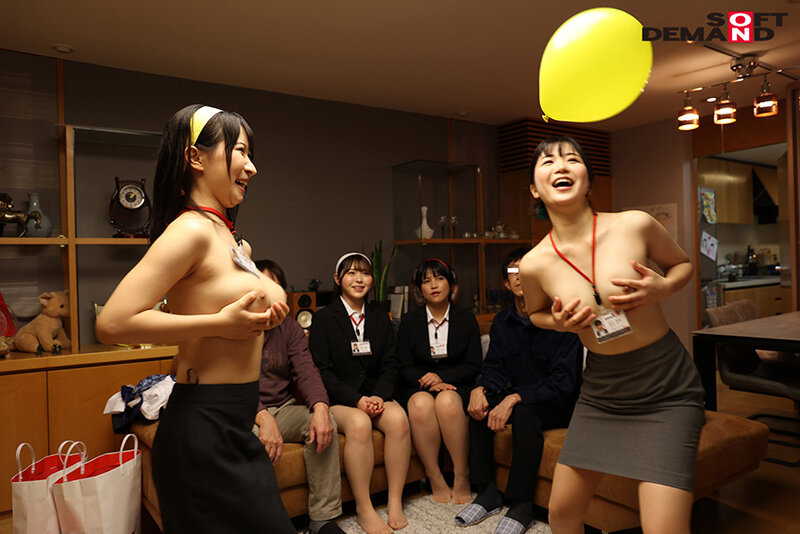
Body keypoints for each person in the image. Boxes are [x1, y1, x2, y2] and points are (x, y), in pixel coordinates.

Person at [96, 104, 296, 533]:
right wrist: (220, 324)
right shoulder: (190, 230)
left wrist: (265, 313)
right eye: (240, 151)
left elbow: (234, 308)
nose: (252, 167)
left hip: (236, 420)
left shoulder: (231, 238)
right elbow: (112, 323)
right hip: (202, 426)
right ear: (195, 157)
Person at [519, 136, 705, 534]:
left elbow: (683, 265)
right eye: (548, 162)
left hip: (666, 388)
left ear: (588, 180)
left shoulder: (634, 224)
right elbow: (534, 314)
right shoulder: (533, 263)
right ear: (534, 189)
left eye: (572, 159)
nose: (561, 166)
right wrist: (559, 324)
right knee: (561, 515)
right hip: (601, 393)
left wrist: (663, 288)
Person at [455, 247, 583, 534]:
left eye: (527, 270)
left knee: (525, 412)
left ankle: (522, 504)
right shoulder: (503, 322)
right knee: (479, 406)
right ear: (506, 282)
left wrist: (515, 397)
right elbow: (495, 368)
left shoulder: (560, 319)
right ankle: (487, 492)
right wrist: (481, 388)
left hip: (557, 402)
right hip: (522, 397)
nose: (520, 276)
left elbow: (563, 382)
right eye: (514, 272)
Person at [308, 252, 410, 534]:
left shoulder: (380, 317)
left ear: (372, 279)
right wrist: (356, 400)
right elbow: (322, 371)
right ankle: (365, 509)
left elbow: (390, 364)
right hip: (340, 399)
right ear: (337, 279)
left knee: (399, 420)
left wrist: (378, 395)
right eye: (351, 273)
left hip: (374, 394)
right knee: (359, 423)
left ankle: (394, 501)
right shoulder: (323, 319)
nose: (358, 279)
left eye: (364, 273)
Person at [254, 259, 345, 534]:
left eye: (276, 286)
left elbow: (306, 369)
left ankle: (323, 519)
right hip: (245, 411)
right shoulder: (236, 326)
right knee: (247, 442)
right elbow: (230, 383)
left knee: (324, 422)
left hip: (284, 408)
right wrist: (263, 417)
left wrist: (320, 407)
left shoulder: (290, 327)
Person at [396, 258, 481, 505]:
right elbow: (403, 366)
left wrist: (442, 378)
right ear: (419, 289)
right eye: (426, 281)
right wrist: (429, 381)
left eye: (440, 278)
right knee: (420, 405)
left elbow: (474, 364)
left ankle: (462, 473)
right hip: (418, 385)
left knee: (447, 402)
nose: (433, 285)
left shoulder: (466, 319)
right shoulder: (409, 322)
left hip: (457, 384)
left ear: (451, 285)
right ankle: (434, 475)